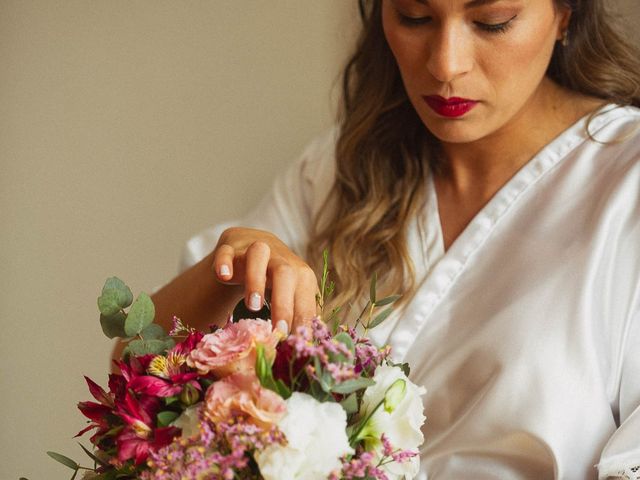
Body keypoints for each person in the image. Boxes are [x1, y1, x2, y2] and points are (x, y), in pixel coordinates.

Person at [128, 0, 640, 477]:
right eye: (414, 17)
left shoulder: (626, 185)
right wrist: (232, 266)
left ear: (567, 14)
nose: (445, 64)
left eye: (492, 21)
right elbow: (138, 377)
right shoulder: (336, 172)